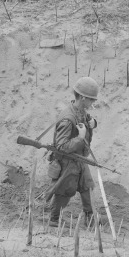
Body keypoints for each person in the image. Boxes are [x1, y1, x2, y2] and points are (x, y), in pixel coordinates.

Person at [45, 77, 99, 227]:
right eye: (91, 100)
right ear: (82, 98)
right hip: (67, 162)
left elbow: (86, 120)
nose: (93, 103)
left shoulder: (80, 112)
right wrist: (80, 138)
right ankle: (54, 219)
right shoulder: (68, 119)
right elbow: (61, 146)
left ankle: (90, 219)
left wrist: (93, 123)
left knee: (87, 187)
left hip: (80, 159)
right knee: (64, 191)